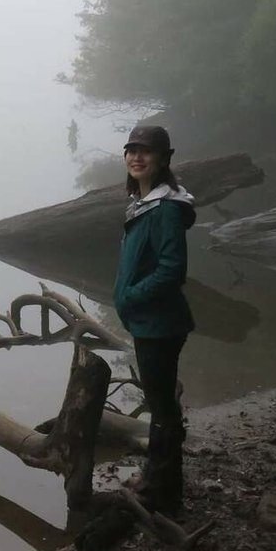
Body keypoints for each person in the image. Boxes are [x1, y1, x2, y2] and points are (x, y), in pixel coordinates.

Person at [113, 125, 195, 515]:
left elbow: (171, 270)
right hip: (149, 322)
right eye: (131, 150)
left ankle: (165, 492)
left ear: (163, 159)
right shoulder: (143, 204)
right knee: (160, 403)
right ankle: (158, 479)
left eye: (146, 151)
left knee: (161, 409)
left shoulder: (165, 209)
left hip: (160, 324)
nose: (136, 157)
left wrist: (129, 297)